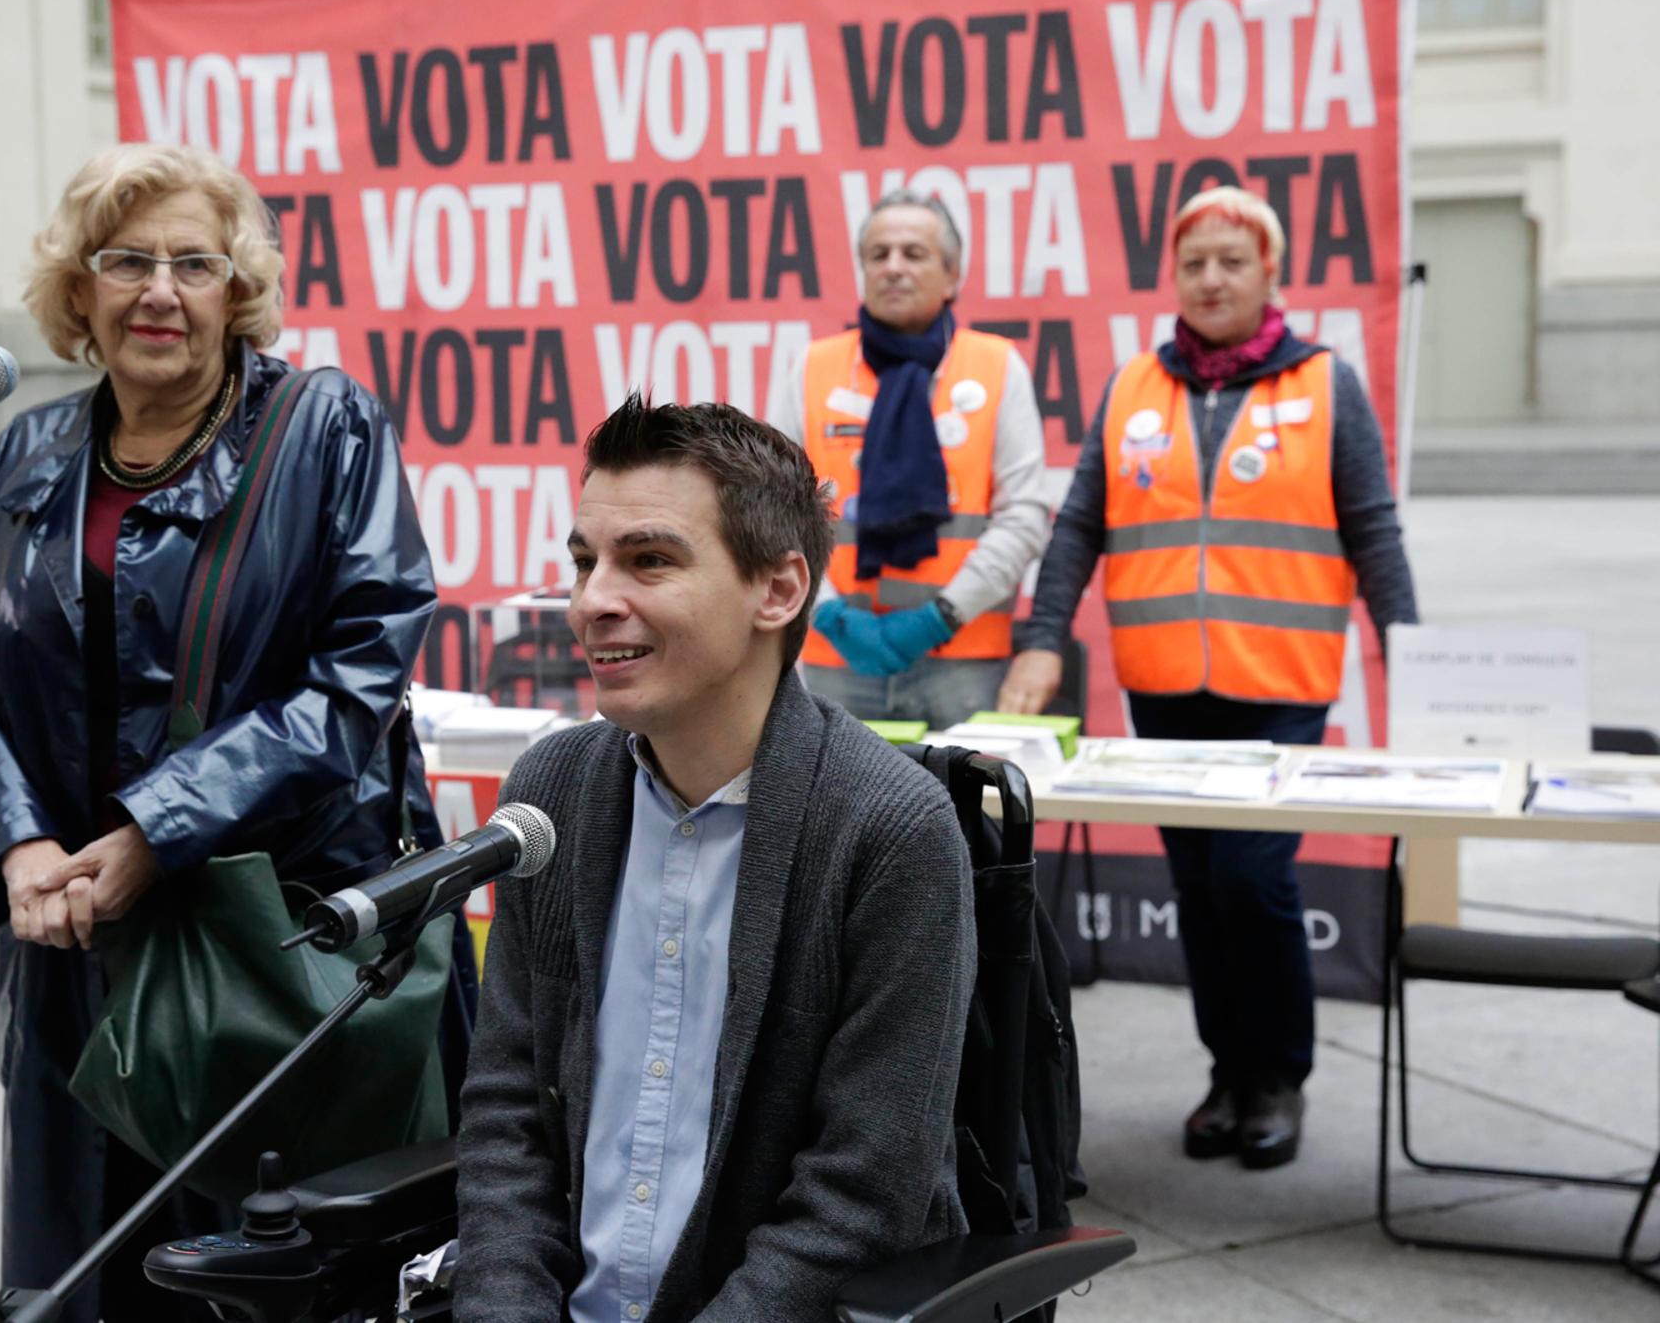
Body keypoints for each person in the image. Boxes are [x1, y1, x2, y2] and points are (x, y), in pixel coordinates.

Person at [0, 143, 473, 1320]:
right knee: (85, 1267)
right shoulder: (30, 451)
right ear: (79, 292)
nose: (158, 291)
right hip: (72, 947)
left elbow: (358, 673)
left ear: (238, 292)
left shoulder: (326, 426)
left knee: (264, 1274)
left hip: (277, 944)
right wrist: (18, 849)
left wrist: (147, 834)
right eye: (125, 261)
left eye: (193, 263)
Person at [454, 396, 975, 1323]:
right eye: (585, 562)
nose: (591, 601)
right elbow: (507, 1117)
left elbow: (860, 1203)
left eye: (648, 559)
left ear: (777, 590)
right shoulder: (553, 791)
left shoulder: (891, 828)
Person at [998, 185, 1419, 1170]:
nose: (1211, 278)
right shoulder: (1133, 387)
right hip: (1166, 687)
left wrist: (1415, 656)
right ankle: (1224, 1074)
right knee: (1197, 884)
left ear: (1268, 273)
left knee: (1251, 875)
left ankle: (1276, 1075)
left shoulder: (1323, 384)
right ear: (1173, 279)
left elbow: (1371, 529)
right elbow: (1079, 528)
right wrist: (1044, 632)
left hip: (1278, 683)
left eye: (1232, 260)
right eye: (1194, 263)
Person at [765, 188, 1054, 730]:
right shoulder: (813, 367)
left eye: (913, 254)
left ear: (952, 275)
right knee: (837, 815)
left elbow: (1024, 516)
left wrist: (939, 617)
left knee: (964, 815)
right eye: (879, 255)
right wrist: (826, 613)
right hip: (839, 654)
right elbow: (771, 512)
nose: (893, 268)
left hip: (962, 656)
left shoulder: (996, 366)